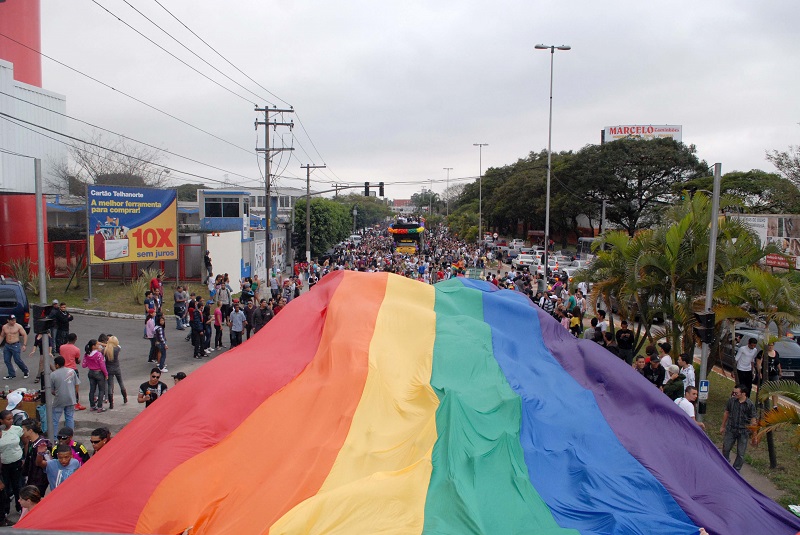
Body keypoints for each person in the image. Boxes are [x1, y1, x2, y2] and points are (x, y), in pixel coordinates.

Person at [720, 385, 757, 471]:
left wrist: (754, 434)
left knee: (741, 453)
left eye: (736, 393)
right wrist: (723, 426)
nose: (734, 394)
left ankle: (736, 469)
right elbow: (726, 413)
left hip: (743, 431)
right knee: (726, 448)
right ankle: (725, 465)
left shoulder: (750, 404)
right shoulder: (731, 401)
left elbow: (753, 420)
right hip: (731, 429)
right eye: (733, 392)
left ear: (743, 394)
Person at [0, 410, 24, 521]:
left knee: (18, 486)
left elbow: (25, 442)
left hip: (17, 461)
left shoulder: (17, 430)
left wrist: (23, 457)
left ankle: (20, 507)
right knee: (5, 488)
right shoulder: (0, 433)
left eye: (12, 419)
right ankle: (5, 510)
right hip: (3, 465)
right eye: (8, 419)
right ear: (2, 421)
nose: (11, 421)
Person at [19, 420, 49, 496]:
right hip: (32, 477)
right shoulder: (31, 442)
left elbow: (47, 462)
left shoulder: (41, 444)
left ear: (30, 431)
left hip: (39, 480)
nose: (22, 432)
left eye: (24, 430)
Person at [50, 355, 79, 431]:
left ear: (57, 365)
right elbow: (77, 384)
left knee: (55, 420)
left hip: (59, 399)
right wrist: (74, 395)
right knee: (69, 417)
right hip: (70, 399)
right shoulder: (71, 371)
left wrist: (57, 394)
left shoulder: (53, 374)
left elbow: (52, 390)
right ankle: (69, 436)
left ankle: (54, 438)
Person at [59, 333, 86, 411]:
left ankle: (64, 401)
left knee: (64, 386)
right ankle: (75, 403)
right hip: (72, 369)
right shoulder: (76, 349)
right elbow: (77, 360)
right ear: (75, 340)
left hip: (63, 368)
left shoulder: (62, 347)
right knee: (75, 386)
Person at [81, 339, 108, 412]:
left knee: (92, 389)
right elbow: (102, 365)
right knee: (101, 390)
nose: (98, 345)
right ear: (93, 346)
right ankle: (100, 407)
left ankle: (92, 406)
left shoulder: (87, 354)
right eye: (97, 344)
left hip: (91, 372)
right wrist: (106, 374)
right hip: (98, 373)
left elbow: (84, 365)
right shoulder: (98, 354)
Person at [1, 315, 29, 380]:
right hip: (7, 345)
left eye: (14, 320)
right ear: (8, 320)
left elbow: (24, 335)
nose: (14, 321)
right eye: (12, 320)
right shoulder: (4, 327)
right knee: (7, 360)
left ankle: (25, 371)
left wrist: (24, 345)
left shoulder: (18, 326)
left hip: (15, 345)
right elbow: (2, 336)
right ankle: (11, 374)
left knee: (17, 360)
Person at [104, 335, 127, 409]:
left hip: (109, 369)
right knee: (121, 383)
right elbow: (118, 345)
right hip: (117, 368)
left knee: (110, 386)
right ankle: (125, 397)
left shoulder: (106, 350)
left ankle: (111, 403)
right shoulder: (117, 349)